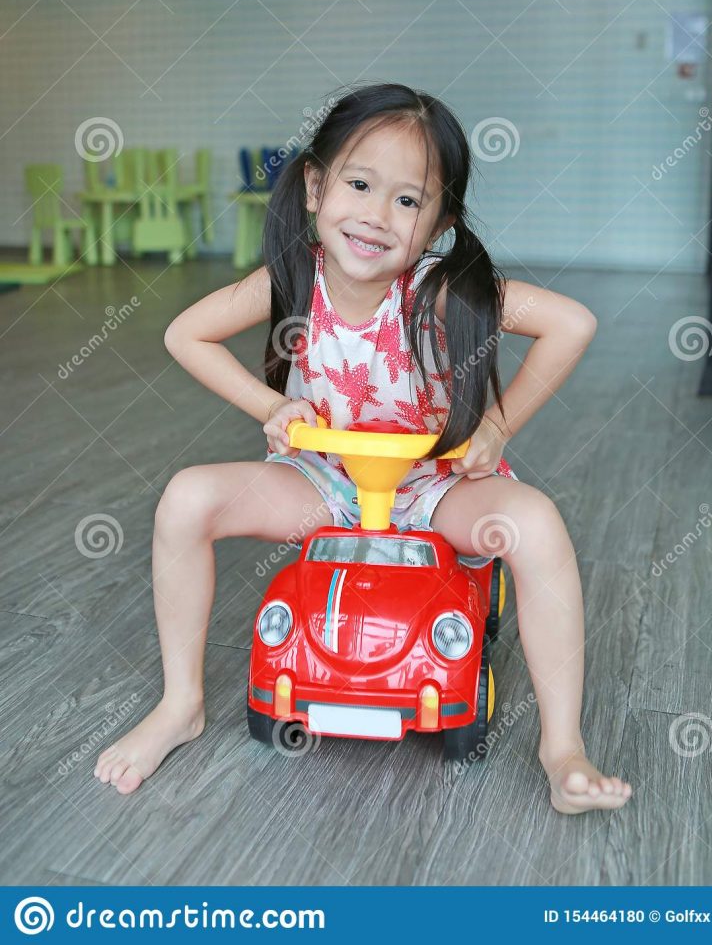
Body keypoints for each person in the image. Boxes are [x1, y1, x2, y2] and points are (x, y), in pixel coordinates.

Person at [94, 82, 632, 813]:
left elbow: (571, 322)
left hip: (433, 490)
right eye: (359, 184)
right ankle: (181, 702)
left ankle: (561, 746)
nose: (378, 216)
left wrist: (497, 427)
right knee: (187, 496)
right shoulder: (291, 279)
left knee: (534, 524)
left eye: (409, 201)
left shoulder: (433, 289)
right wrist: (272, 405)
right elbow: (183, 333)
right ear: (316, 187)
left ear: (439, 220)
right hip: (324, 484)